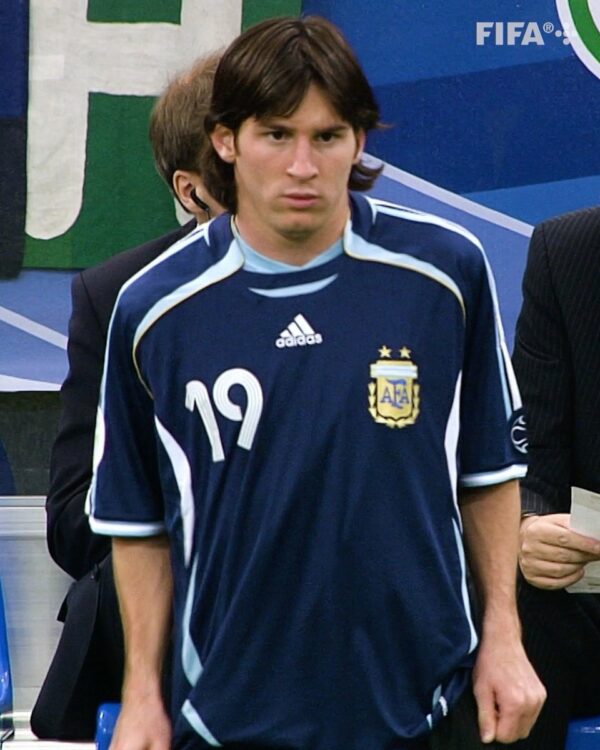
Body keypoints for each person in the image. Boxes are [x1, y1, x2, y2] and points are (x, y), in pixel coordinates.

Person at [88, 16, 545, 750]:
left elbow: (488, 473)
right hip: (227, 714)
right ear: (226, 141)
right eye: (276, 135)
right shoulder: (153, 310)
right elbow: (136, 521)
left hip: (423, 707)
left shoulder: (445, 272)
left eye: (327, 136)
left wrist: (504, 636)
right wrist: (141, 692)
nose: (302, 165)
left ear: (359, 141)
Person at [31, 51, 223, 741]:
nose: (292, 171)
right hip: (177, 626)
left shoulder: (382, 283)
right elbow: (72, 525)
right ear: (192, 191)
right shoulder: (121, 298)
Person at [512, 207, 600, 750]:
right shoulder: (566, 252)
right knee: (520, 602)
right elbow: (533, 455)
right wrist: (529, 527)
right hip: (593, 585)